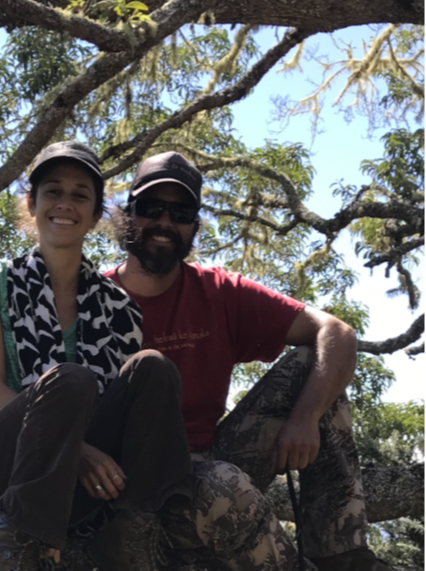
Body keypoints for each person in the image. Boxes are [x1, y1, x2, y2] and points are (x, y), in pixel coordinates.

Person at [105, 151, 394, 571]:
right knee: (220, 483)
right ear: (128, 213)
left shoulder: (218, 291)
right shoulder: (96, 301)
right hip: (138, 491)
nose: (165, 222)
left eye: (181, 213)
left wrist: (305, 418)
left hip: (215, 459)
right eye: (152, 208)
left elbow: (337, 333)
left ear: (194, 226)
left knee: (310, 365)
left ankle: (341, 554)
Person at [0, 142, 193, 571]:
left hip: (64, 490)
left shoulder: (120, 309)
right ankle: (11, 549)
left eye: (80, 195)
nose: (65, 203)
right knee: (70, 378)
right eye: (53, 191)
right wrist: (78, 451)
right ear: (32, 203)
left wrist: (81, 455)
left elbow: (120, 421)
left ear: (97, 213)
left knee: (153, 366)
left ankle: (132, 530)